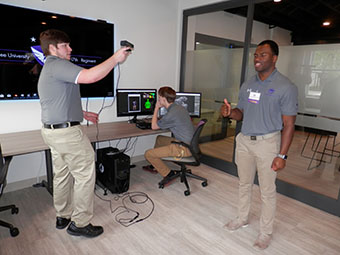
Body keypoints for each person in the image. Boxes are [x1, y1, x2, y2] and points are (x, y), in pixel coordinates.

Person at [38, 29, 131, 238]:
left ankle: (63, 215)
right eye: (65, 45)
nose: (70, 49)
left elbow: (57, 101)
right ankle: (80, 223)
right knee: (85, 173)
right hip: (66, 134)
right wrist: (116, 58)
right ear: (52, 48)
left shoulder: (49, 68)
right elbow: (89, 77)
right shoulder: (58, 64)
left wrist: (84, 114)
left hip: (52, 132)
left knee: (61, 175)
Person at [220, 40, 298, 250]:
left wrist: (282, 156)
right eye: (256, 55)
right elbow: (241, 114)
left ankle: (265, 232)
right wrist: (230, 113)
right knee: (244, 184)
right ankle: (242, 218)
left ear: (274, 58)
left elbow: (289, 125)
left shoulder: (286, 86)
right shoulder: (248, 85)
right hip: (245, 141)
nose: (257, 58)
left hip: (268, 143)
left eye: (263, 55)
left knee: (267, 191)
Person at [144, 87, 195, 186]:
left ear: (163, 99)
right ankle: (155, 164)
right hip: (188, 144)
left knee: (148, 154)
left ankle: (168, 174)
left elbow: (154, 126)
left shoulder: (171, 114)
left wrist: (156, 108)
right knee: (160, 139)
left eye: (159, 98)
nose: (158, 100)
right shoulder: (179, 108)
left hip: (183, 148)